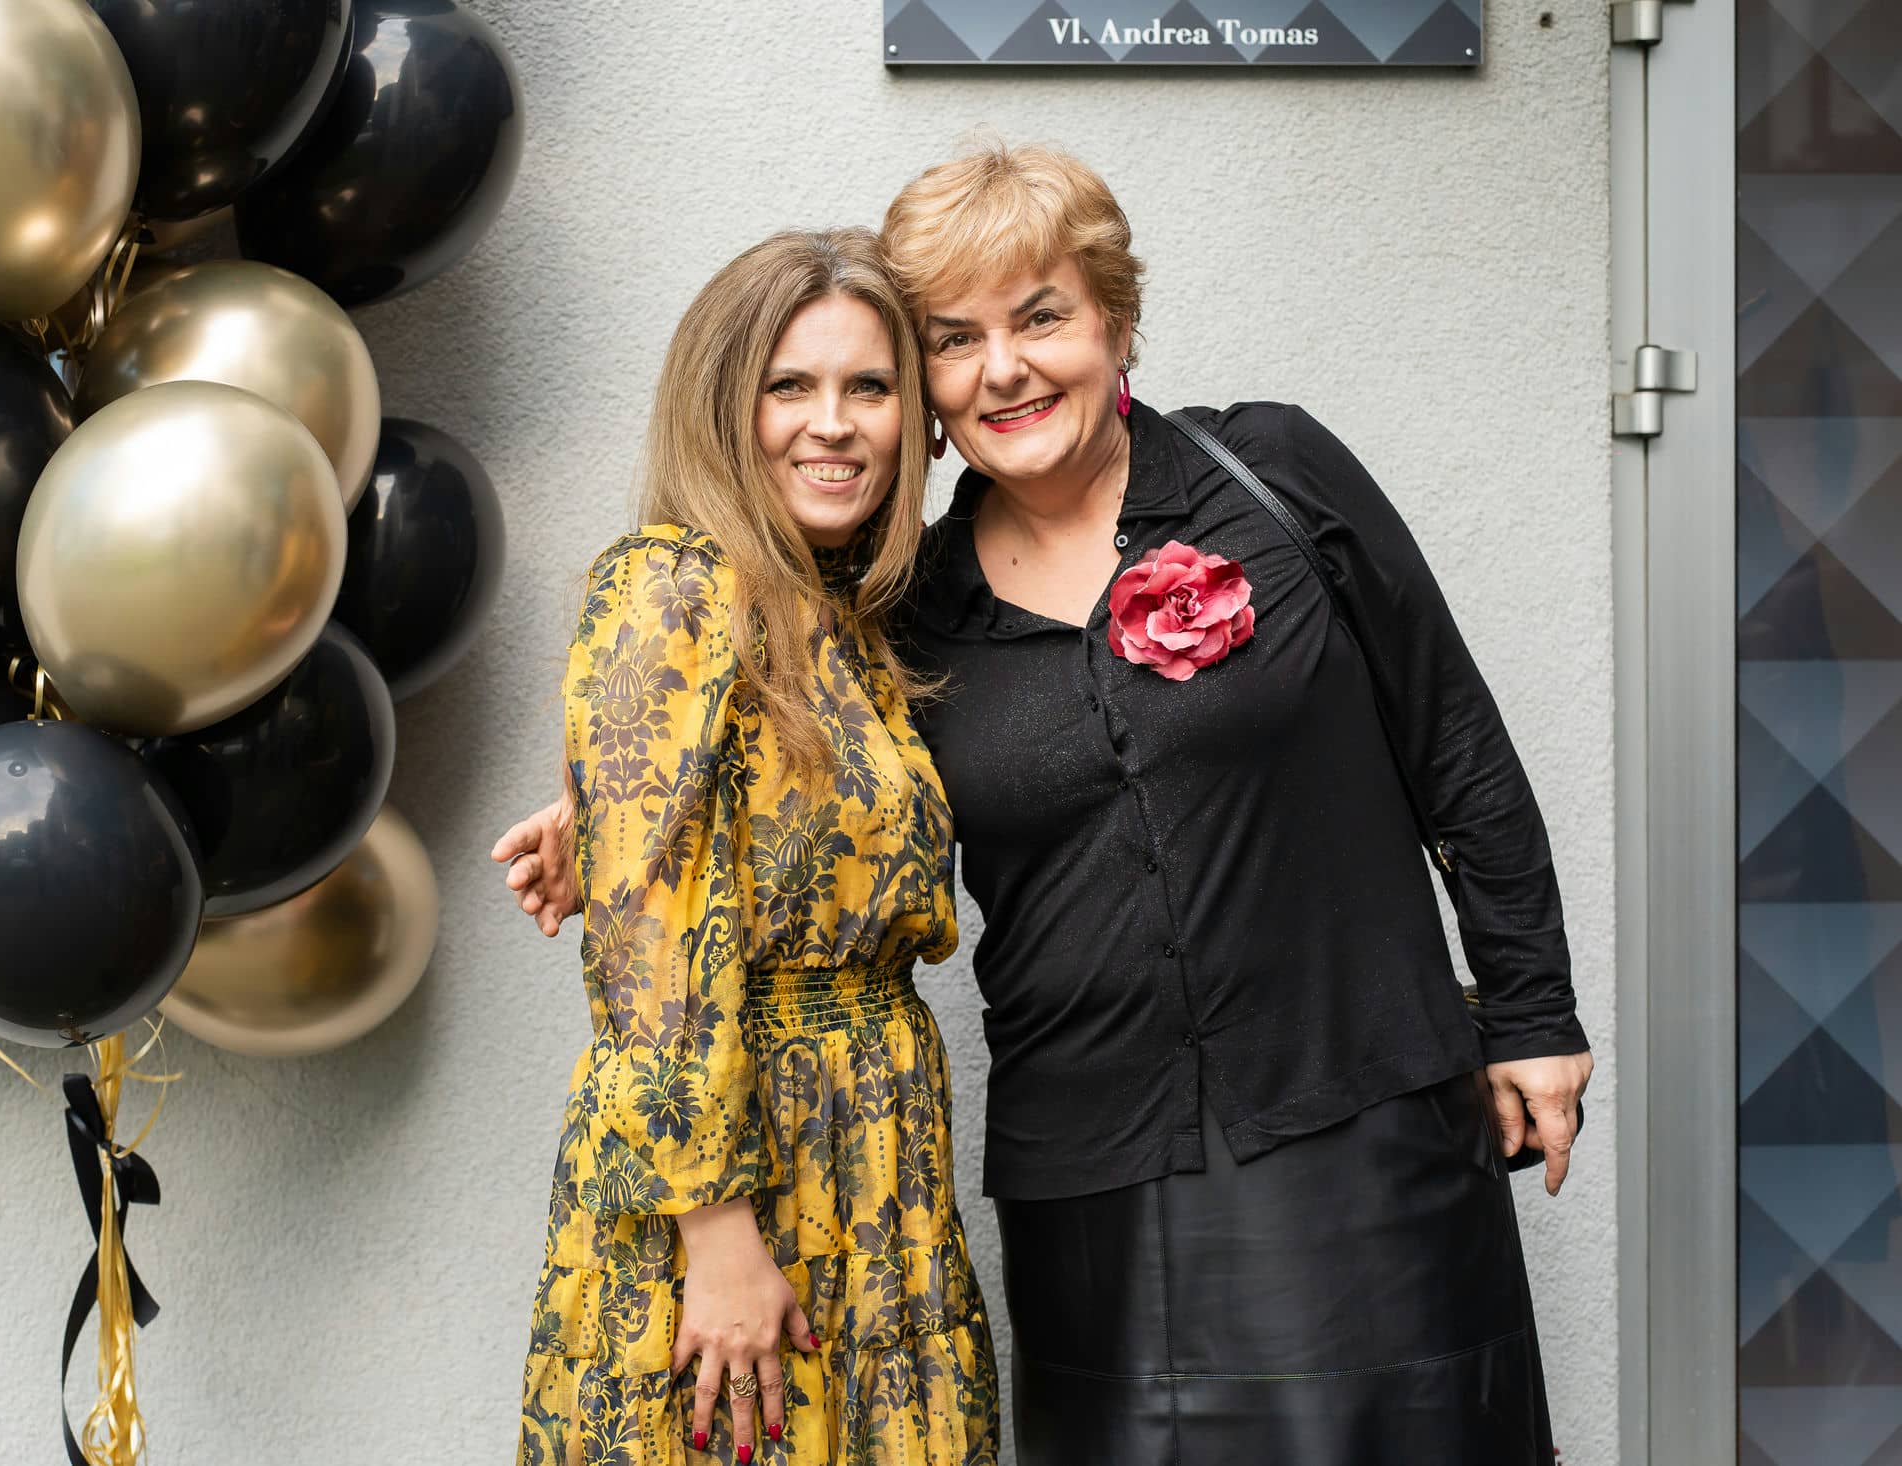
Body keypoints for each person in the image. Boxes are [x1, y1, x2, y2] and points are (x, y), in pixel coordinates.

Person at [500, 144, 1591, 1465]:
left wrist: (1531, 1008)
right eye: (955, 340)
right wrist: (600, 813)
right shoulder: (913, 604)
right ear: (935, 394)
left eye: (1041, 318)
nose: (1004, 369)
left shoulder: (1273, 476)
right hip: (1095, 1180)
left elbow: (1453, 741)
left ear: (1114, 322)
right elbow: (764, 753)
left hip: (1362, 1125)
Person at [511, 228, 998, 1466]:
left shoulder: (852, 618)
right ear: (725, 407)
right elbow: (654, 954)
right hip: (739, 1179)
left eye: (868, 386)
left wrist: (602, 819)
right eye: (790, 385)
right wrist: (717, 1237)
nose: (832, 424)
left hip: (877, 1158)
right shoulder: (674, 585)